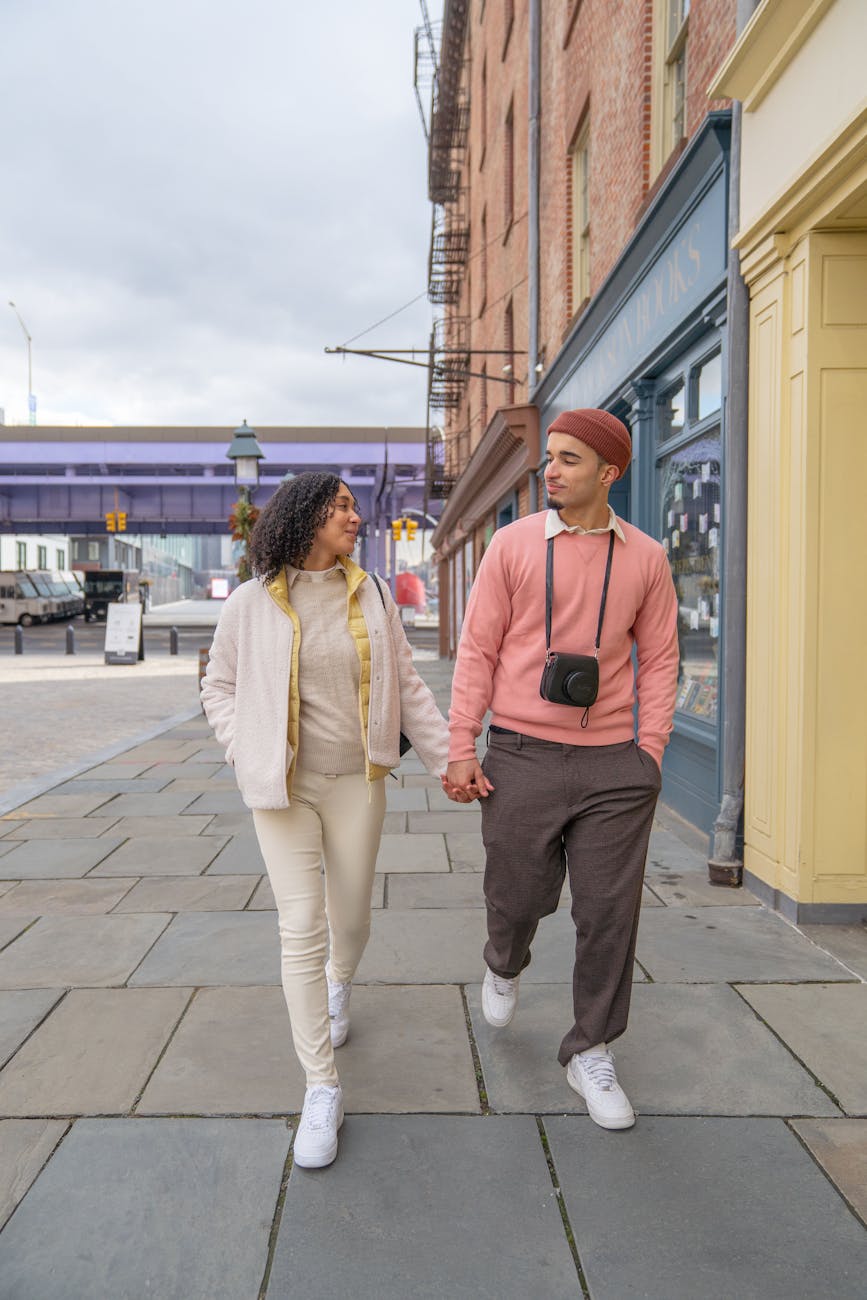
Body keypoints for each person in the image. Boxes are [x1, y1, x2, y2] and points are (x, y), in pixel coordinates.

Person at [201, 473, 462, 1168]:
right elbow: (217, 685)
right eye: (341, 506)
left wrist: (448, 764)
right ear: (306, 516)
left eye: (352, 505)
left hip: (356, 780)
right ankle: (320, 1086)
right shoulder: (251, 604)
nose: (354, 516)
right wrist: (240, 746)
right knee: (299, 930)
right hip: (282, 789)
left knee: (350, 920)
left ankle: (340, 982)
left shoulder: (371, 593)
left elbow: (406, 685)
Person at [446, 408, 679, 1130]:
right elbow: (477, 651)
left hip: (614, 763)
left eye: (569, 459)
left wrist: (650, 752)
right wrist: (461, 744)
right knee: (518, 897)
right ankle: (503, 960)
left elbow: (662, 657)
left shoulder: (644, 556)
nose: (551, 469)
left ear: (609, 473)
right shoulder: (512, 547)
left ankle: (590, 1048)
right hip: (521, 753)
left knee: (608, 912)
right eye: (550, 456)